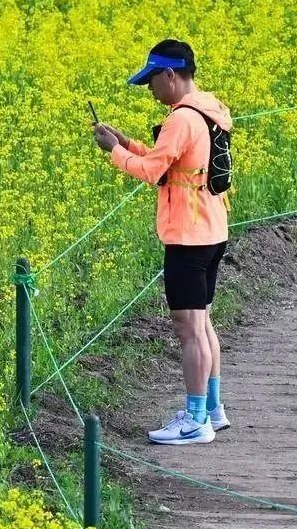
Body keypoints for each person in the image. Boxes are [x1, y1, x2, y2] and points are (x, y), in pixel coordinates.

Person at [92, 39, 232, 446]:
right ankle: (213, 410)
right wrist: (129, 142)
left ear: (170, 75)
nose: (150, 90)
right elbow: (173, 164)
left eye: (152, 80)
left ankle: (194, 420)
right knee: (202, 323)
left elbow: (153, 172)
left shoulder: (180, 120)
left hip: (188, 237)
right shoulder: (207, 108)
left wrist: (115, 152)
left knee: (189, 330)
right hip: (211, 230)